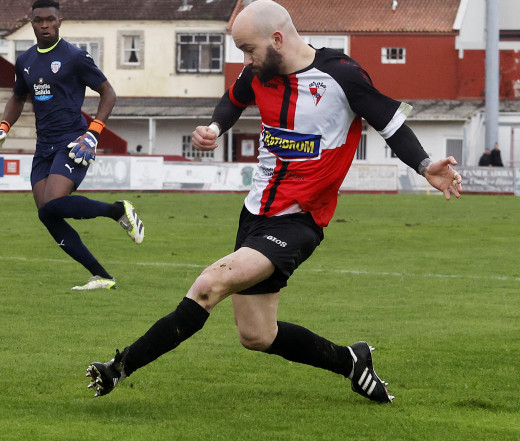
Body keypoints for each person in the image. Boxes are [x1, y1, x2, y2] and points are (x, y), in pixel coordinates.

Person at [85, 0, 463, 403]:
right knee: (257, 335)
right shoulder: (259, 72)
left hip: (298, 221)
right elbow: (233, 99)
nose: (246, 60)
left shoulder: (341, 76)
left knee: (209, 286)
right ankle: (353, 362)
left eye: (249, 49)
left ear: (277, 39)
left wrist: (425, 165)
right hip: (254, 214)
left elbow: (392, 124)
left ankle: (118, 368)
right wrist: (214, 127)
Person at [0, 0, 144, 290]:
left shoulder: (75, 56)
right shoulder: (25, 61)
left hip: (74, 141)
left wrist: (93, 133)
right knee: (46, 213)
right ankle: (102, 276)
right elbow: (18, 97)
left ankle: (118, 210)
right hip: (43, 146)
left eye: (50, 19)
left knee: (56, 202)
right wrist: (2, 128)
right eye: (38, 20)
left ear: (60, 21)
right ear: (30, 22)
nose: (44, 25)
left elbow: (108, 93)